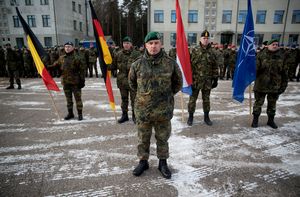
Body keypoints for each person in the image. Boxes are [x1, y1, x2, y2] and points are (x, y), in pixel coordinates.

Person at [129, 32, 182, 179]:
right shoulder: (137, 65)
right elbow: (132, 84)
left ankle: (162, 162)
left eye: (156, 43)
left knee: (162, 138)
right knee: (142, 138)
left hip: (163, 110)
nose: (153, 46)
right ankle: (143, 161)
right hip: (143, 111)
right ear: (145, 45)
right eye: (150, 43)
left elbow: (177, 84)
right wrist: (144, 98)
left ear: (161, 44)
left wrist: (164, 97)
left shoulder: (170, 63)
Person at [251, 39, 288, 129]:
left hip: (275, 86)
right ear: (268, 45)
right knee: (258, 103)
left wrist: (283, 86)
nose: (275, 46)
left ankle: (270, 121)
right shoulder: (260, 55)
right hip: (261, 85)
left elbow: (284, 73)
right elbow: (255, 69)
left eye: (276, 44)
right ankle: (255, 120)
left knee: (272, 104)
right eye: (273, 44)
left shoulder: (282, 56)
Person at [187, 30, 219, 126]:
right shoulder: (194, 50)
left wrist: (215, 78)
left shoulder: (212, 51)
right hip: (195, 80)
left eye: (207, 38)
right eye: (204, 38)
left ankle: (206, 117)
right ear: (200, 39)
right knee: (192, 99)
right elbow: (188, 65)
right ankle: (190, 116)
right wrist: (188, 79)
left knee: (206, 100)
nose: (205, 40)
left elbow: (215, 66)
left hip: (207, 81)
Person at [52, 42, 85, 121]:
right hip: (66, 82)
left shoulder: (77, 58)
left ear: (73, 48)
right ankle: (70, 113)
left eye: (69, 47)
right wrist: (46, 66)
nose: (67, 48)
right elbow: (55, 65)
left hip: (75, 83)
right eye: (66, 47)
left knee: (78, 100)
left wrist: (82, 81)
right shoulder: (62, 58)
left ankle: (80, 114)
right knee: (68, 100)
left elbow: (82, 70)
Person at [112, 36, 141, 123]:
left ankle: (135, 116)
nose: (126, 45)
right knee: (124, 99)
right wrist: (105, 62)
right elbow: (113, 65)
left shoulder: (137, 54)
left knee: (134, 100)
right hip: (122, 82)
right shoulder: (118, 54)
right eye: (124, 43)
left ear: (131, 44)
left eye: (128, 43)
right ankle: (124, 115)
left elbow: (141, 68)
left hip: (133, 82)